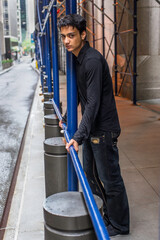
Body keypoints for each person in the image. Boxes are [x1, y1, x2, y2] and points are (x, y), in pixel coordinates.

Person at [58, 14, 129, 237]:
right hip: (92, 130)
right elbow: (81, 95)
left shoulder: (92, 61)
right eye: (63, 37)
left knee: (110, 179)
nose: (66, 41)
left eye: (71, 36)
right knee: (89, 174)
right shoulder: (77, 59)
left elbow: (93, 103)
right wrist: (68, 118)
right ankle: (107, 215)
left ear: (83, 34)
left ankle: (119, 224)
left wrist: (78, 136)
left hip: (103, 130)